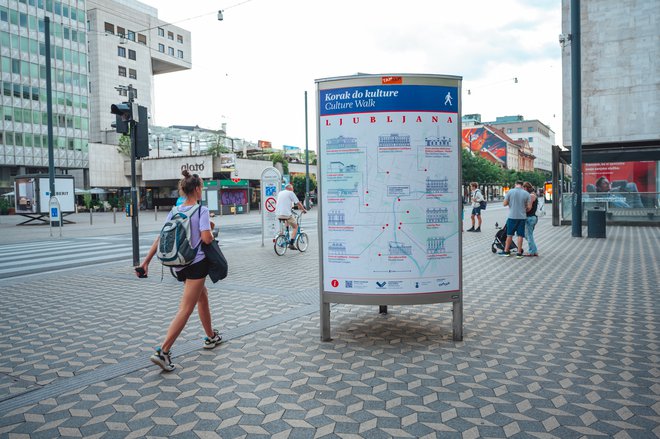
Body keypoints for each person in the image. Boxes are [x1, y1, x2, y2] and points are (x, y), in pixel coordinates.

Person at [137, 170, 222, 372]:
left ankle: (211, 337)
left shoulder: (175, 211)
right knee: (186, 308)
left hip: (178, 265)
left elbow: (160, 237)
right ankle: (163, 351)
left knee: (202, 296)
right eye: (202, 187)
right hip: (196, 264)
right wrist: (210, 226)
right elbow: (207, 239)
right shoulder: (200, 210)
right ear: (198, 189)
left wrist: (146, 262)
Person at [500, 180, 531, 259]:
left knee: (509, 235)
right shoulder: (526, 194)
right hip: (522, 217)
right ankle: (519, 253)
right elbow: (529, 207)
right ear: (522, 185)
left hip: (512, 217)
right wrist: (523, 210)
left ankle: (506, 251)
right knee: (520, 235)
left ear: (515, 184)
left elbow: (504, 204)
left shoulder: (510, 192)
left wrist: (511, 204)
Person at [275, 184, 307, 249]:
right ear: (290, 189)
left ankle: (286, 234)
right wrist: (303, 210)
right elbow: (298, 203)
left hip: (278, 214)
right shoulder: (290, 193)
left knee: (287, 220)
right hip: (286, 214)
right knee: (295, 227)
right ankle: (291, 244)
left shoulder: (280, 193)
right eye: (292, 189)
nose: (293, 190)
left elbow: (284, 203)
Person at [523, 182, 539, 257]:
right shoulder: (532, 194)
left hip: (530, 217)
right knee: (528, 235)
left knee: (528, 235)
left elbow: (529, 208)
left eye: (523, 188)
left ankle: (532, 251)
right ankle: (534, 250)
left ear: (526, 188)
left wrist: (522, 211)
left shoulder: (531, 195)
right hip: (531, 217)